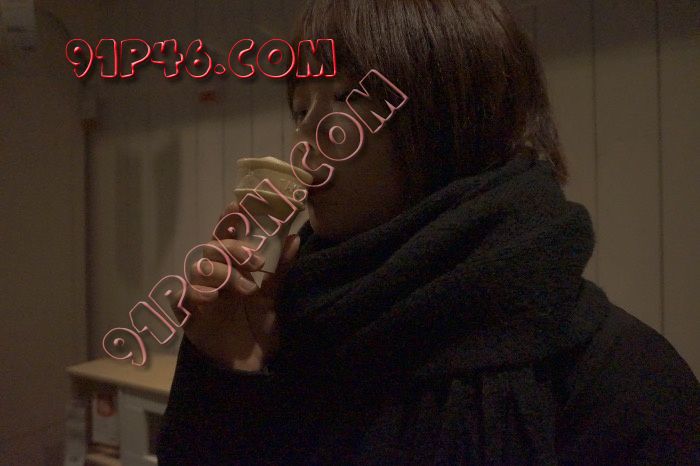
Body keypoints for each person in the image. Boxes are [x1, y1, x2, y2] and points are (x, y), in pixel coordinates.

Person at [156, 0, 700, 464]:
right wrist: (228, 374)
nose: (307, 137)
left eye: (348, 99)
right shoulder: (289, 330)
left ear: (455, 115)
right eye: (301, 109)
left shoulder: (625, 385)